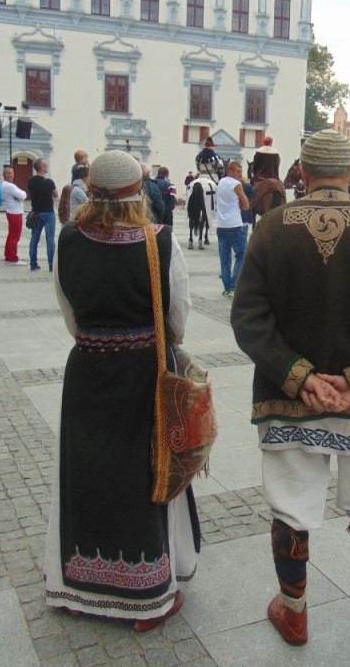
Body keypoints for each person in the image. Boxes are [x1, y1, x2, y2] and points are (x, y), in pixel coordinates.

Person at [230, 129, 350, 645]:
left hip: (289, 398)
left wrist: (300, 376)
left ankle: (294, 612)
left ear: (305, 170)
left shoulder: (271, 228)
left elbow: (249, 318)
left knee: (291, 505)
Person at [44, 149, 196, 629]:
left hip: (87, 368)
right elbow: (178, 319)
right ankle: (147, 595)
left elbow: (68, 309)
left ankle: (79, 584)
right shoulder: (159, 242)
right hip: (143, 372)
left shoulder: (68, 238)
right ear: (139, 192)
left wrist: (96, 336)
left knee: (87, 471)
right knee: (143, 473)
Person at [216, 160, 249, 296]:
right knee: (241, 255)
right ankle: (233, 286)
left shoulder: (221, 182)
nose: (240, 174)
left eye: (241, 172)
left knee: (225, 258)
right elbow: (246, 204)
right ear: (230, 172)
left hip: (221, 225)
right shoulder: (236, 184)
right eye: (238, 171)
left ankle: (226, 287)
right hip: (234, 225)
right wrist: (242, 205)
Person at [28, 158, 58, 271]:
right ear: (42, 167)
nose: (47, 167)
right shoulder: (49, 182)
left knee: (34, 238)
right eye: (46, 165)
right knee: (50, 239)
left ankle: (33, 263)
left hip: (36, 212)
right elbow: (56, 194)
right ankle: (51, 265)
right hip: (48, 212)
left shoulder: (30, 180)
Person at [0, 166, 27, 265]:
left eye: (12, 173)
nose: (11, 175)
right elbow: (23, 195)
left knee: (12, 234)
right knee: (15, 236)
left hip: (12, 210)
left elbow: (21, 194)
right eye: (8, 173)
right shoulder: (9, 186)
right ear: (4, 175)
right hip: (15, 212)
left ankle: (8, 255)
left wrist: (20, 195)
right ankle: (12, 257)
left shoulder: (7, 185)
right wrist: (20, 195)